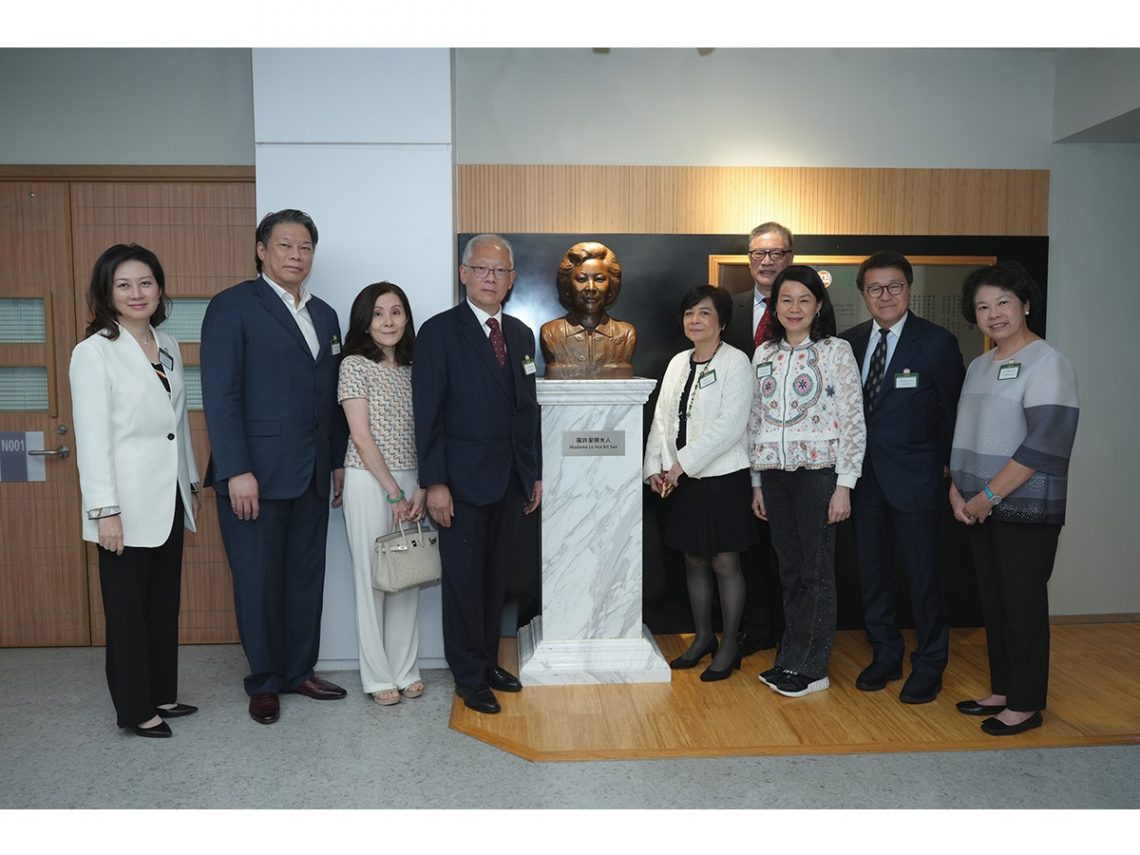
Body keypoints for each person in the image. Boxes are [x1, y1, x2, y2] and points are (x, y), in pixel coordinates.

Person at [200, 209, 349, 725]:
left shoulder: (326, 315)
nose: (295, 255)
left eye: (305, 247)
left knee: (306, 577)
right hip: (254, 476)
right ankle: (263, 681)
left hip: (311, 473)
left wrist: (335, 463)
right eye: (285, 245)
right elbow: (220, 394)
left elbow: (330, 397)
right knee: (258, 581)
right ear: (262, 249)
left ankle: (298, 671)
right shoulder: (232, 306)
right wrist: (236, 468)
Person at [69, 243, 200, 738]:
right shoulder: (94, 352)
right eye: (124, 284)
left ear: (160, 289)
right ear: (107, 292)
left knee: (162, 605)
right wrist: (105, 510)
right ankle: (134, 709)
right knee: (126, 613)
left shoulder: (167, 343)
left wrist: (189, 479)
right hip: (122, 505)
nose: (136, 292)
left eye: (145, 282)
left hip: (168, 497)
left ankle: (161, 693)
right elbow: (92, 437)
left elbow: (177, 423)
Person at [412, 234, 542, 715]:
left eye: (501, 271)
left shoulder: (522, 335)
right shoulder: (439, 332)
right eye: (483, 269)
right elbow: (428, 414)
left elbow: (527, 411)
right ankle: (468, 676)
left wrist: (535, 472)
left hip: (511, 481)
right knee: (464, 583)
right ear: (464, 274)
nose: (492, 278)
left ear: (511, 280)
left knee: (495, 579)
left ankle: (487, 661)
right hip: (460, 484)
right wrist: (436, 482)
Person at [949, 261, 1078, 736]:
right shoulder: (979, 365)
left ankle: (1026, 703)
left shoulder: (1049, 362)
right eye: (983, 306)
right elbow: (965, 432)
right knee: (995, 602)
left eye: (1003, 302)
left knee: (1022, 604)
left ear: (1025, 304)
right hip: (978, 508)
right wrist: (955, 487)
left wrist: (986, 495)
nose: (994, 313)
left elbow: (1046, 444)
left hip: (1024, 507)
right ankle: (1004, 689)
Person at [840, 251, 965, 704]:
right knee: (872, 573)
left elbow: (953, 412)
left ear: (909, 289)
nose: (885, 295)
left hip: (918, 481)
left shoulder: (936, 342)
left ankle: (930, 663)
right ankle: (886, 653)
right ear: (864, 294)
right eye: (875, 288)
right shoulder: (847, 343)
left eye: (895, 286)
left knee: (923, 576)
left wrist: (950, 471)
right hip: (863, 480)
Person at [748, 264, 866, 697]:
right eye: (785, 300)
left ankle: (812, 667)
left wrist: (845, 484)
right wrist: (757, 481)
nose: (794, 308)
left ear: (818, 306)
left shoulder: (836, 351)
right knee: (790, 570)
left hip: (820, 475)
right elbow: (755, 420)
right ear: (774, 306)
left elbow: (854, 421)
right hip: (774, 477)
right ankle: (790, 658)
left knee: (816, 573)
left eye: (804, 300)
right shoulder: (764, 354)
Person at [643, 285, 756, 681]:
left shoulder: (736, 362)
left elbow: (730, 426)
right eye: (690, 313)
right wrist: (655, 467)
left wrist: (681, 466)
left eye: (704, 313)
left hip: (723, 479)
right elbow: (661, 419)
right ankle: (703, 636)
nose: (695, 320)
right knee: (693, 558)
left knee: (725, 560)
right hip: (682, 480)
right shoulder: (677, 362)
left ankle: (729, 644)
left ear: (722, 321)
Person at [338, 282, 427, 706]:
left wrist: (421, 487)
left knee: (407, 576)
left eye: (396, 311)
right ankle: (377, 677)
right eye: (378, 313)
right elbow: (360, 436)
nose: (388, 321)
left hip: (413, 480)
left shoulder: (417, 366)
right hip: (368, 480)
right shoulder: (355, 364)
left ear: (407, 317)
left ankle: (406, 668)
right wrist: (394, 492)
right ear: (364, 320)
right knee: (372, 580)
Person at [722, 222, 794, 657]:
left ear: (790, 258)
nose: (766, 262)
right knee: (746, 543)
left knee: (786, 547)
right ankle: (758, 626)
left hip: (786, 444)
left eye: (776, 254)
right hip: (734, 447)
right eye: (758, 254)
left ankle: (790, 631)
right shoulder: (729, 308)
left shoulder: (806, 308)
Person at [540, 241, 637, 378]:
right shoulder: (550, 333)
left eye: (599, 279)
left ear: (611, 286)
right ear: (567, 286)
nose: (590, 288)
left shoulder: (626, 334)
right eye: (581, 279)